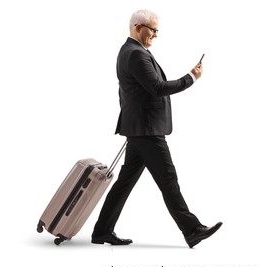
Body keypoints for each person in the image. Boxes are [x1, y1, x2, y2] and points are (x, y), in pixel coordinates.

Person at [91, 9, 222, 248]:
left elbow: (131, 92)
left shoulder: (130, 51)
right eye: (152, 29)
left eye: (157, 30)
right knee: (168, 179)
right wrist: (191, 77)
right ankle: (192, 230)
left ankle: (101, 231)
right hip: (146, 131)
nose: (155, 35)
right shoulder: (135, 54)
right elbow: (157, 87)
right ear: (137, 26)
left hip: (139, 128)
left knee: (124, 182)